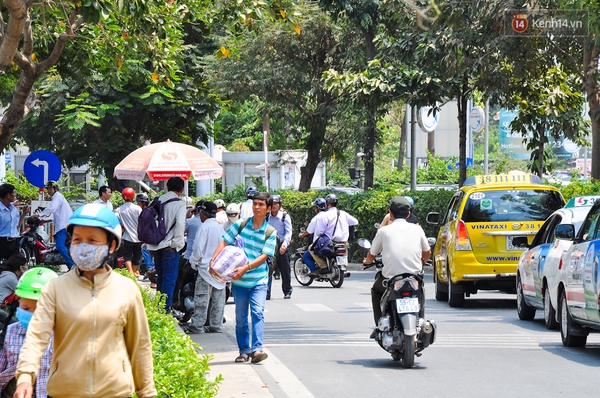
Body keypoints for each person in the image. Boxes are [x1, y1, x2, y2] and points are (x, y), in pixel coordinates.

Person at [13, 203, 157, 398]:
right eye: (77, 239)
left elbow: (139, 346)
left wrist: (146, 392)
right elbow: (36, 338)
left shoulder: (127, 289)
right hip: (64, 392)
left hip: (114, 393)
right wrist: (25, 378)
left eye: (92, 240)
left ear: (112, 245)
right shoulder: (55, 289)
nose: (83, 246)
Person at [211, 192, 276, 364]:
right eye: (255, 203)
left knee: (257, 312)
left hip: (259, 280)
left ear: (268, 209)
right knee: (240, 318)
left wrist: (245, 268)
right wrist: (213, 260)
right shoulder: (241, 224)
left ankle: (257, 349)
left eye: (261, 204)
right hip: (239, 281)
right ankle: (244, 351)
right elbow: (225, 241)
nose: (257, 207)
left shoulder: (270, 231)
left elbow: (264, 256)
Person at [363, 196, 431, 337]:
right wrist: (424, 261)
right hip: (414, 277)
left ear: (390, 214)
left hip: (391, 279)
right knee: (420, 294)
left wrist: (367, 262)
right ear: (408, 214)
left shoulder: (383, 231)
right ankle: (421, 322)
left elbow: (372, 254)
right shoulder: (417, 229)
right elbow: (427, 251)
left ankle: (379, 327)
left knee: (376, 291)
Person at [0, 267, 58, 398]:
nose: (32, 314)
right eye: (25, 308)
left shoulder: (63, 335)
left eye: (38, 309)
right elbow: (3, 364)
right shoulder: (12, 330)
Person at [183, 201, 226, 334]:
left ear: (203, 213)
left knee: (202, 299)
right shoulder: (220, 228)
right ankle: (216, 325)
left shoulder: (204, 228)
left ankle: (197, 326)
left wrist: (193, 262)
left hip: (205, 269)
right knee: (218, 301)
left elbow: (198, 249)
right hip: (220, 270)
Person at [146, 177, 186, 312]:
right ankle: (166, 310)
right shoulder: (179, 204)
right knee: (169, 279)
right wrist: (177, 244)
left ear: (167, 187)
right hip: (169, 246)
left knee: (161, 278)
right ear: (182, 190)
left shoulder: (157, 200)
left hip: (156, 246)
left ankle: (159, 307)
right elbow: (180, 224)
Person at [306, 194, 358, 277]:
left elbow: (319, 231)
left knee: (311, 248)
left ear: (327, 203)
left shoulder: (325, 215)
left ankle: (324, 266)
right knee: (344, 250)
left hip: (330, 243)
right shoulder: (343, 213)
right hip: (343, 242)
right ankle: (344, 265)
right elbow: (355, 222)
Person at [33, 181, 75, 269]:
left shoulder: (58, 196)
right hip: (64, 224)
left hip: (63, 226)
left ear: (55, 189)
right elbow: (59, 214)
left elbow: (52, 208)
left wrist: (39, 215)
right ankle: (70, 266)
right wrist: (48, 220)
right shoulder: (58, 197)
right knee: (63, 246)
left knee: (59, 246)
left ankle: (72, 265)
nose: (49, 191)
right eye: (48, 189)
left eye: (50, 189)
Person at [266, 195, 293, 300]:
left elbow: (288, 232)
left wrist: (284, 245)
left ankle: (287, 291)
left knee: (285, 270)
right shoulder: (267, 217)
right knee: (268, 268)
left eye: (276, 204)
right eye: (272, 204)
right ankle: (267, 293)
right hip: (270, 246)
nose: (274, 206)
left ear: (279, 204)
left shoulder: (284, 216)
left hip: (282, 245)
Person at [115, 187, 142, 276]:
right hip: (138, 237)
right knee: (137, 257)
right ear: (133, 197)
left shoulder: (119, 209)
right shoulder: (138, 208)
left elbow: (115, 220)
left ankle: (130, 273)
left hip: (126, 237)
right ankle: (133, 272)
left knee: (127, 256)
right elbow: (142, 220)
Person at [298, 198, 327, 273]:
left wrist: (302, 235)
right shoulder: (329, 216)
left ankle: (315, 271)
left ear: (317, 208)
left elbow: (309, 231)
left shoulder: (316, 218)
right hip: (330, 241)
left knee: (305, 256)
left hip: (320, 242)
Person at [0, 184, 28, 261]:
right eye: (13, 193)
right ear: (8, 195)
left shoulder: (13, 209)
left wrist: (24, 214)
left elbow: (17, 226)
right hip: (2, 242)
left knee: (17, 266)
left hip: (14, 242)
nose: (15, 196)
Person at [136, 193, 156, 288]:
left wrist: (146, 241)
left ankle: (150, 268)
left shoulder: (146, 212)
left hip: (152, 239)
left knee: (144, 249)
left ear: (141, 203)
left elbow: (149, 228)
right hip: (156, 238)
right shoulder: (151, 211)